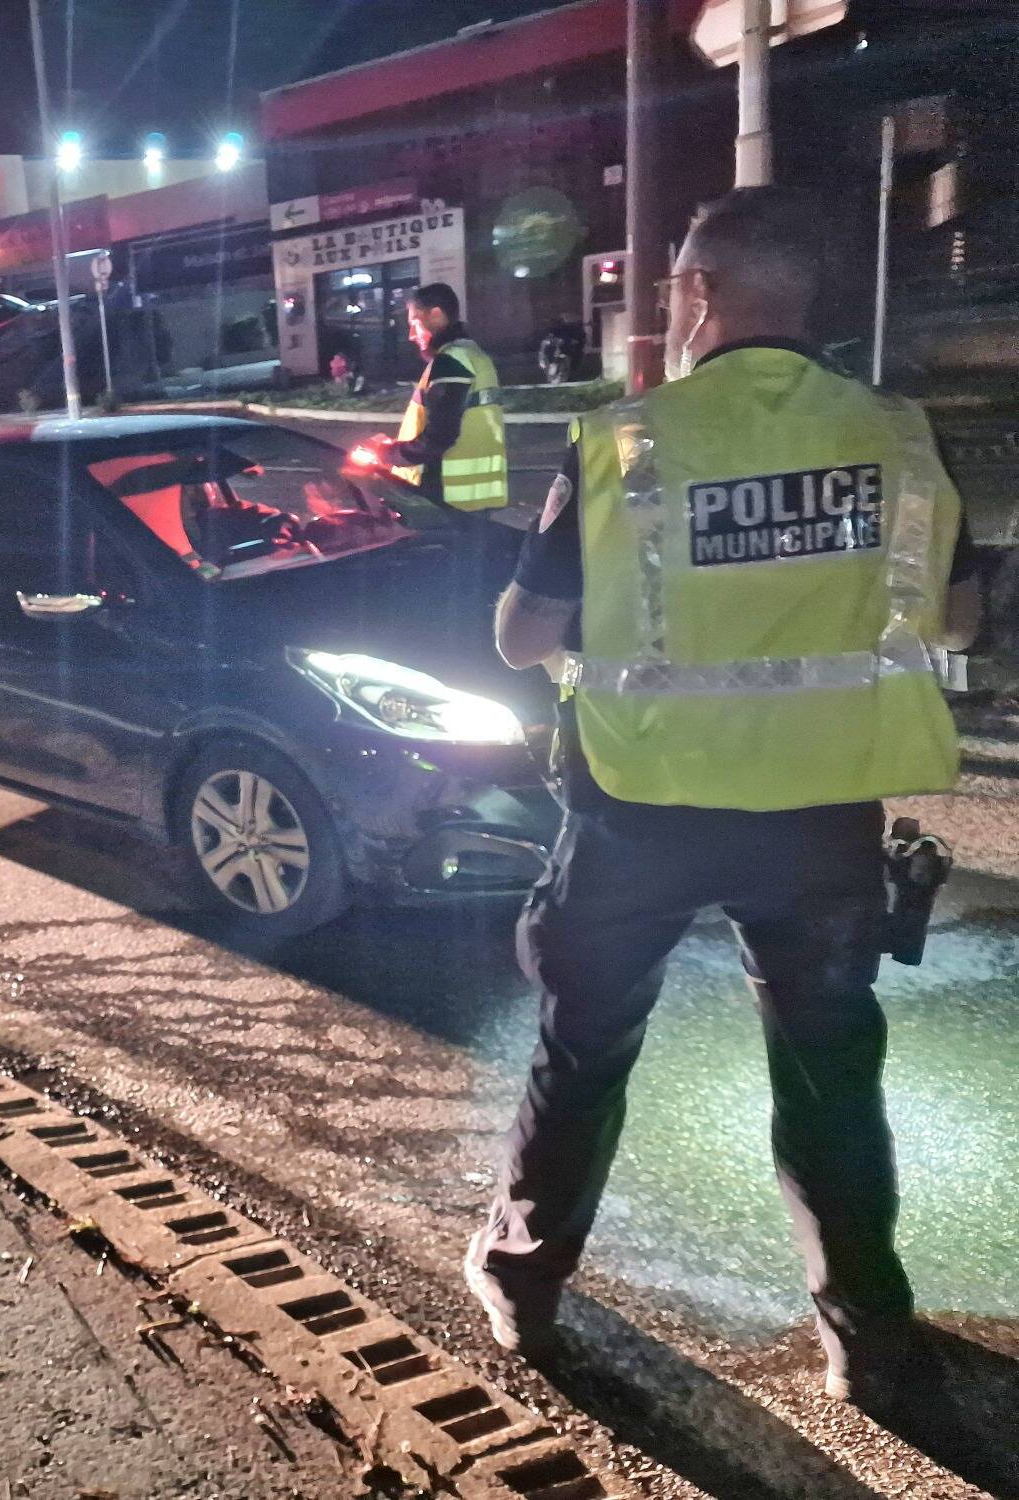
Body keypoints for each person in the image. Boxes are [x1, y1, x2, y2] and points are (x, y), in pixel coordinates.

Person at [463, 188, 982, 1410]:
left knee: (582, 1053)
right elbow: (953, 617)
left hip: (638, 809)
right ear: (807, 296)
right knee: (827, 1074)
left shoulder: (623, 443)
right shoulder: (897, 437)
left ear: (695, 294)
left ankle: (524, 1286)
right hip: (818, 820)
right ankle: (862, 1335)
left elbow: (518, 641)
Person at [366, 283, 507, 512]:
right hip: (474, 495)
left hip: (446, 494)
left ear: (436, 315)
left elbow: (439, 435)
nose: (411, 335)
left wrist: (390, 454)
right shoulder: (474, 355)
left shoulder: (451, 360)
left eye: (414, 323)